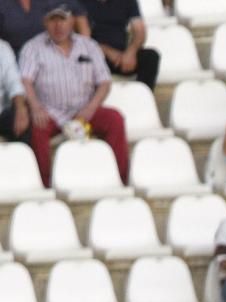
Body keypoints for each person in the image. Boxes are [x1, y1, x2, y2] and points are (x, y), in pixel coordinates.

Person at [19, 3, 128, 188]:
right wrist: (36, 106)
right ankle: (44, 186)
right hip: (51, 111)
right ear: (45, 22)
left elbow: (104, 82)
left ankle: (122, 180)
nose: (58, 25)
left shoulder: (89, 46)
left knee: (115, 119)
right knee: (37, 128)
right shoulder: (33, 47)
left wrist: (90, 108)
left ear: (72, 20)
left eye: (62, 19)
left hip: (85, 110)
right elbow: (25, 81)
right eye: (53, 19)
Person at [80, 0, 158, 89]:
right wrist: (106, 51)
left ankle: (142, 98)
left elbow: (139, 30)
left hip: (121, 57)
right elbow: (79, 37)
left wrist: (131, 52)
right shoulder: (80, 2)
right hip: (93, 54)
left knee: (151, 57)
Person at [0, 0, 86, 57]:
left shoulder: (52, 3)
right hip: (11, 56)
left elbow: (81, 23)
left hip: (49, 53)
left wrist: (83, 49)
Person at [0, 37, 30, 144]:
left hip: (1, 113)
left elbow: (14, 83)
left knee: (23, 123)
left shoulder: (2, 48)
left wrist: (21, 108)